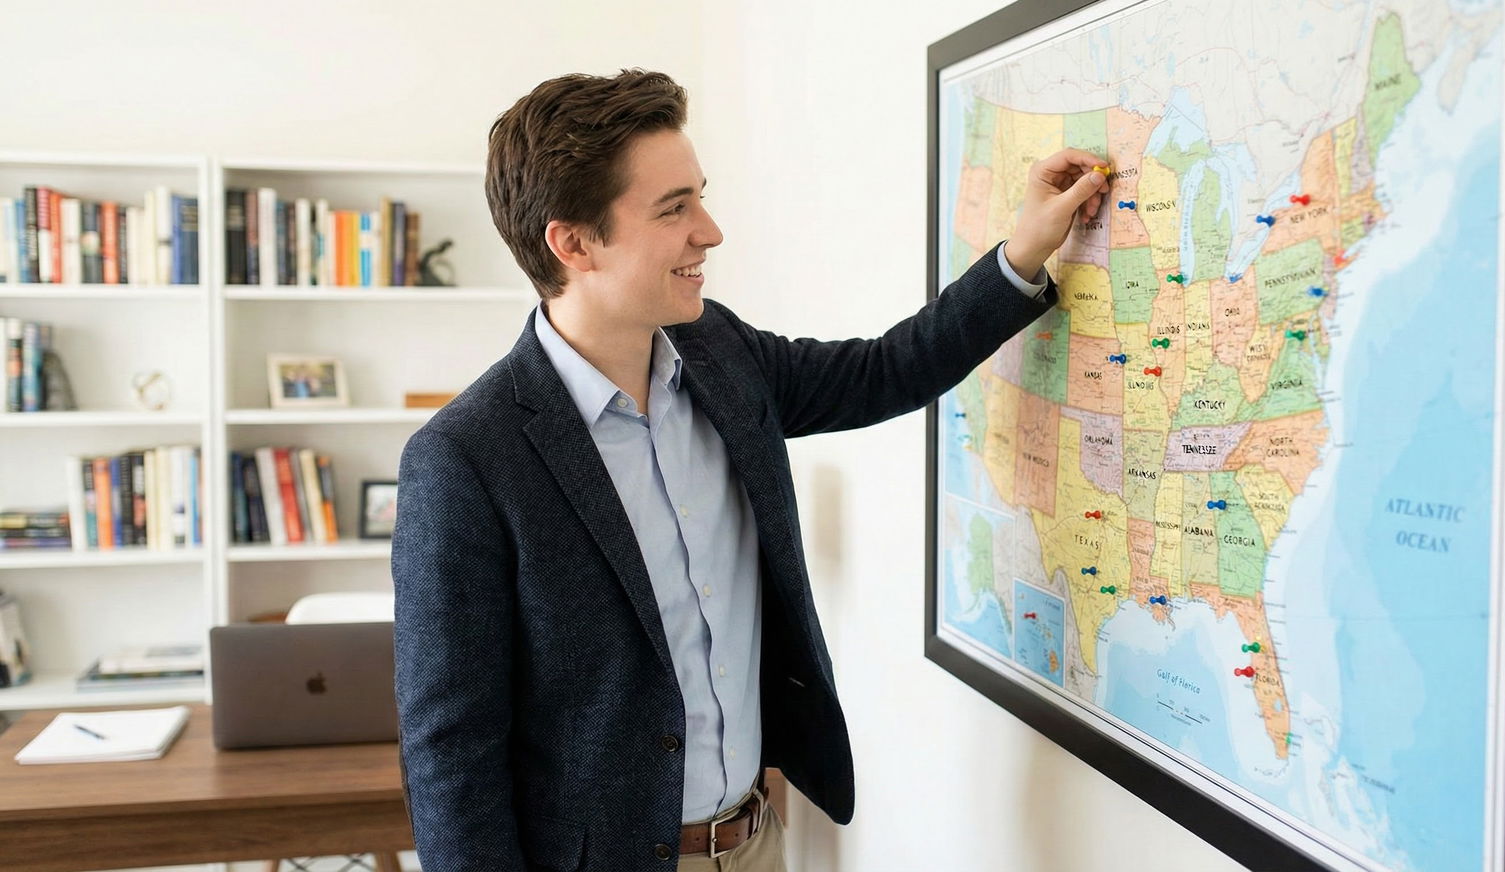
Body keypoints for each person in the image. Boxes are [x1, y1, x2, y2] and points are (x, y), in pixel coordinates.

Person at [391, 68, 1108, 872]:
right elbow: (451, 753)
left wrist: (1021, 252)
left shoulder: (719, 353)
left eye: (700, 195)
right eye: (674, 209)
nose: (710, 231)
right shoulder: (465, 459)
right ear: (574, 242)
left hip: (758, 841)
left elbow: (882, 372)